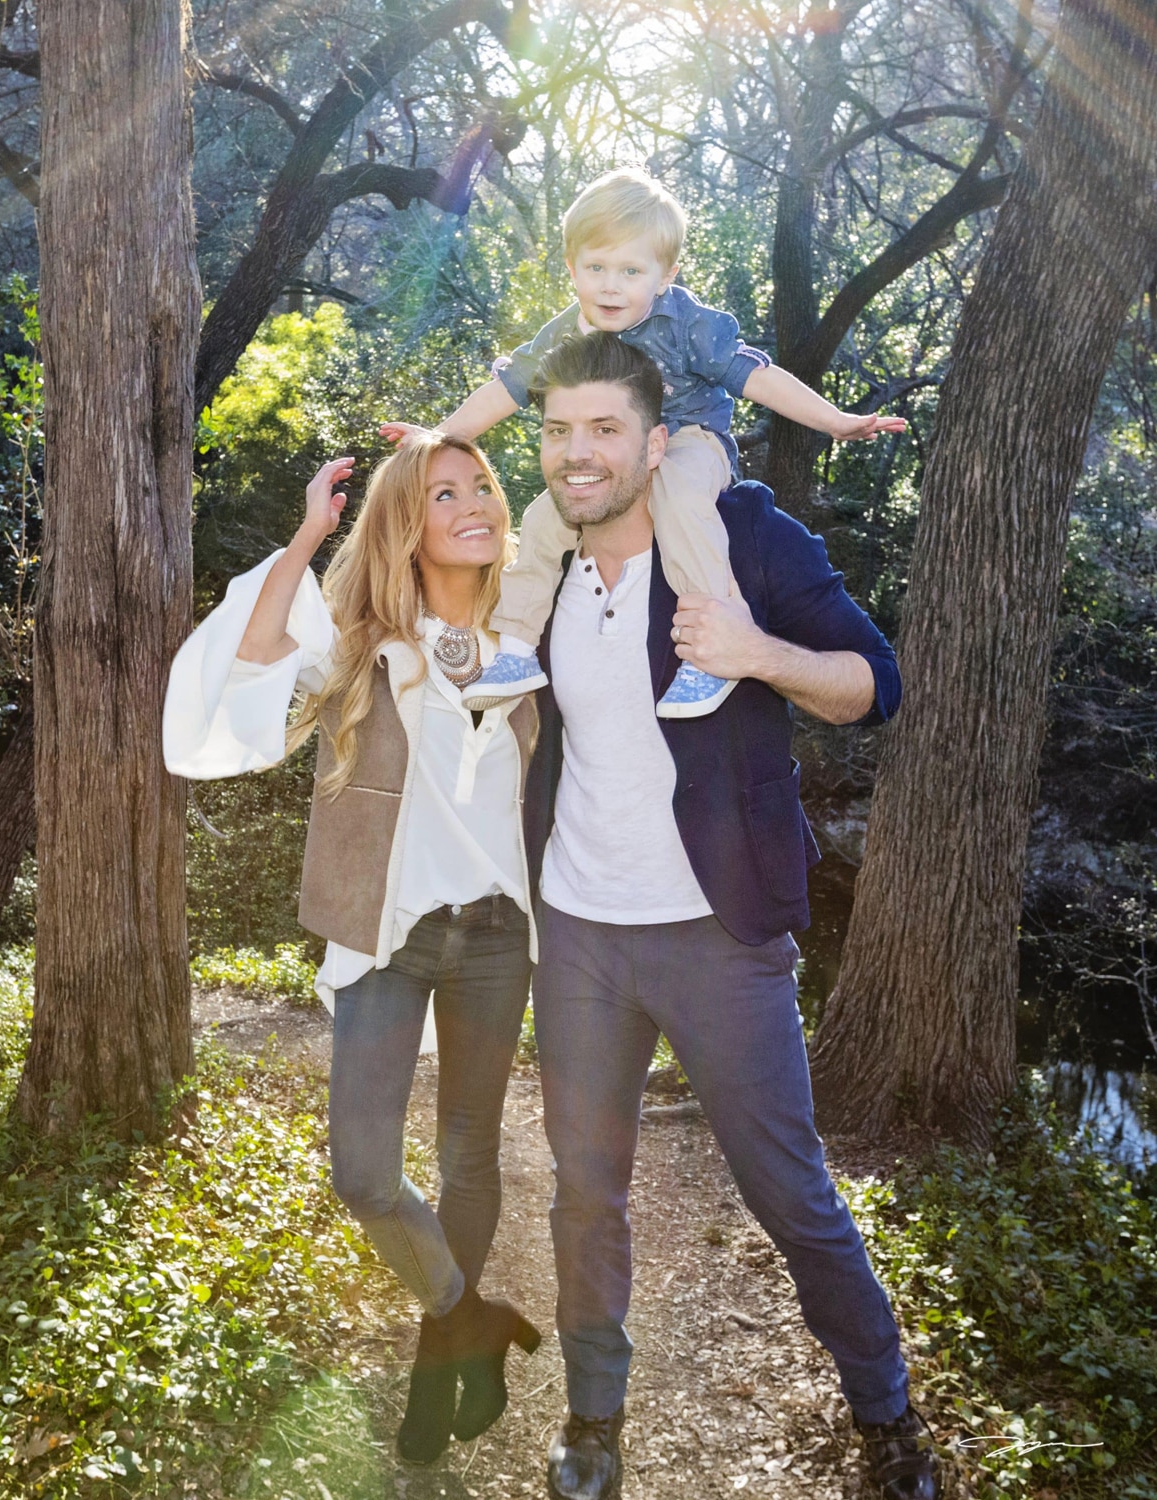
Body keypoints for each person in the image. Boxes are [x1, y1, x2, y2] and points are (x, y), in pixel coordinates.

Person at [517, 332, 939, 1500]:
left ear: (658, 441)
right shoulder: (539, 558)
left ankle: (885, 1409)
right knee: (583, 1187)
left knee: (790, 1193)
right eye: (557, 429)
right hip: (582, 936)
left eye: (603, 428)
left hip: (720, 933)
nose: (578, 452)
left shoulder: (744, 536)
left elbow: (874, 683)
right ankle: (594, 1416)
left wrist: (757, 653)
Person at [163, 435, 541, 1467]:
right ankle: (466, 1316)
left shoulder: (525, 633)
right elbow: (246, 675)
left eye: (482, 488)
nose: (472, 504)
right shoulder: (361, 641)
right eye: (441, 494)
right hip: (390, 935)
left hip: (502, 934)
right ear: (406, 527)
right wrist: (310, 533)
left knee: (470, 1155)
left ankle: (439, 1363)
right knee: (366, 1175)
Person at [382, 167, 905, 719]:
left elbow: (757, 376)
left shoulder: (686, 324)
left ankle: (708, 649)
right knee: (539, 522)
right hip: (616, 467)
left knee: (678, 499)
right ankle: (515, 651)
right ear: (572, 268)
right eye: (596, 267)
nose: (611, 285)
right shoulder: (564, 334)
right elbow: (507, 390)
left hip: (689, 439)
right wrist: (442, 435)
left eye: (630, 270)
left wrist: (833, 421)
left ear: (665, 275)